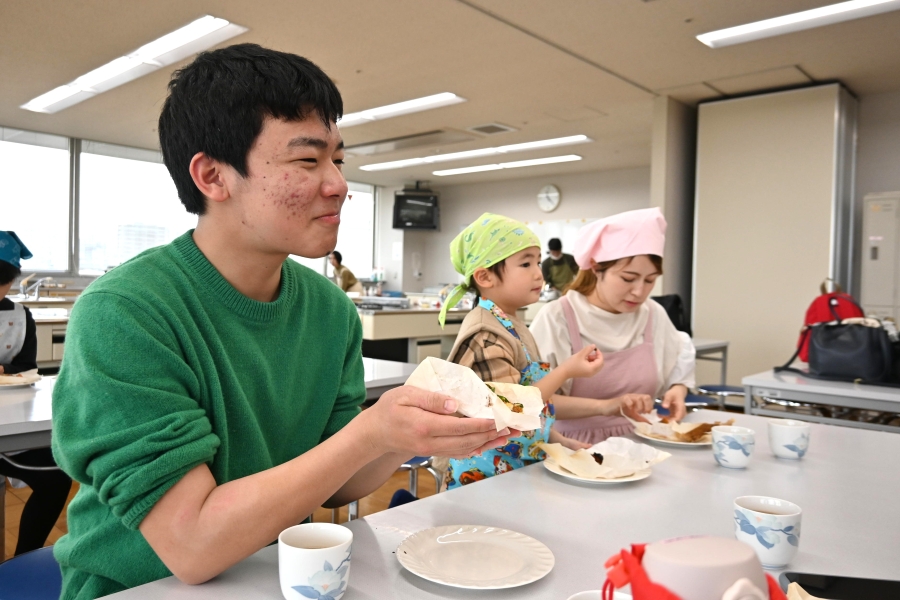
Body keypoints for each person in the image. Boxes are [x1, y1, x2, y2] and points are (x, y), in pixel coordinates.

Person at [50, 44, 511, 599]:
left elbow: (339, 479)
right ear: (214, 176)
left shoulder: (329, 310)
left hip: (281, 578)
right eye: (307, 160)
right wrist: (370, 431)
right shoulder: (126, 313)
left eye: (338, 159)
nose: (338, 182)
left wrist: (403, 431)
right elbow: (192, 545)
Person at [437, 214, 654, 489]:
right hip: (484, 481)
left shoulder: (513, 325)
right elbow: (512, 409)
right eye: (526, 263)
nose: (539, 273)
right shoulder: (486, 336)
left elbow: (536, 404)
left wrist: (559, 443)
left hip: (517, 473)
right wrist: (566, 371)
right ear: (485, 276)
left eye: (538, 262)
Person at [530, 208, 694, 444]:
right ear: (596, 268)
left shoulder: (653, 314)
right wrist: (605, 407)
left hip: (645, 440)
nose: (639, 291)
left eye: (650, 280)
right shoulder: (559, 317)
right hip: (574, 448)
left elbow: (679, 359)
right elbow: (535, 399)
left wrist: (678, 389)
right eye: (628, 278)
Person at [0, 231, 73, 556]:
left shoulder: (19, 316)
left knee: (57, 476)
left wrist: (8, 372)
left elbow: (28, 366)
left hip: (13, 415)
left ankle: (23, 558)